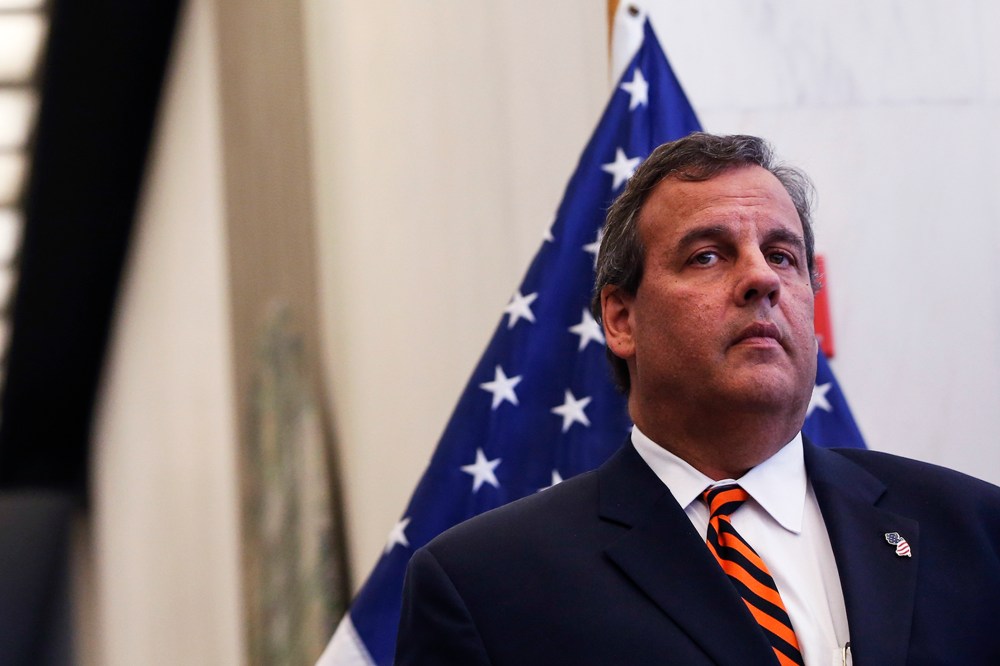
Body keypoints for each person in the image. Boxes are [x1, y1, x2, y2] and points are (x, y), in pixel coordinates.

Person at [394, 133, 1000, 665]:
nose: (762, 278)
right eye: (707, 255)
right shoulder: (487, 584)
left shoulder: (973, 533)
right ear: (622, 318)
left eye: (783, 256)